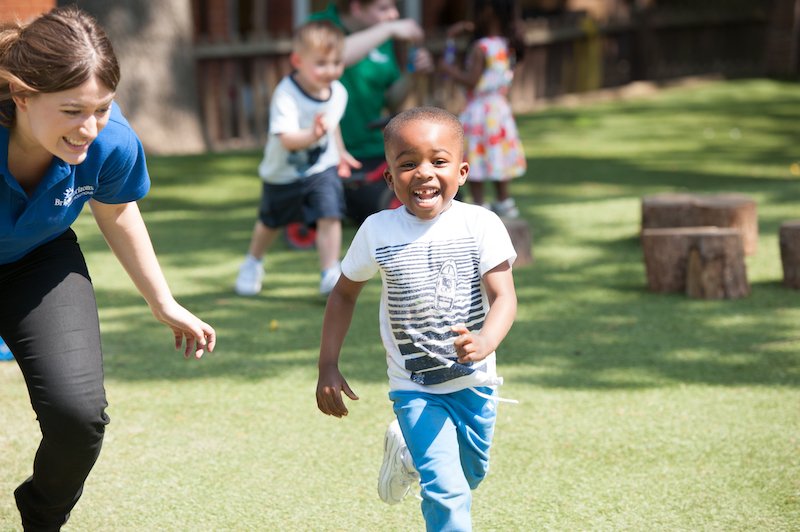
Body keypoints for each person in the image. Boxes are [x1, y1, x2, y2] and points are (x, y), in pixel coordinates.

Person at [0, 7, 216, 530]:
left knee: (78, 417)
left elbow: (117, 210)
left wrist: (162, 301)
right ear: (23, 96)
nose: (89, 128)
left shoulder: (110, 141)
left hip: (37, 259)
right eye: (72, 110)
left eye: (102, 108)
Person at [316, 107, 518, 531]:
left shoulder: (481, 224)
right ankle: (420, 453)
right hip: (415, 388)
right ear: (390, 178)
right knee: (448, 493)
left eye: (438, 161)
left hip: (475, 384)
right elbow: (343, 294)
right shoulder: (378, 231)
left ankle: (407, 455)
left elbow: (504, 298)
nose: (423, 173)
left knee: (470, 475)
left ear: (462, 171)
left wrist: (485, 340)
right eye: (408, 164)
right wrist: (328, 365)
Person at [234, 21, 356, 297]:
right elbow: (287, 140)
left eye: (337, 62)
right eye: (322, 63)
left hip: (321, 168)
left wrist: (341, 151)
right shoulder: (286, 95)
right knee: (270, 221)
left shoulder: (338, 92)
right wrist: (313, 134)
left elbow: (332, 123)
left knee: (330, 214)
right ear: (298, 61)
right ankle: (253, 262)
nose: (331, 70)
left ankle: (329, 272)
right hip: (283, 173)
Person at [309, 0, 434, 224]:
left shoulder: (381, 39)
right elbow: (332, 57)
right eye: (384, 8)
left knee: (435, 189)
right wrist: (387, 29)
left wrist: (412, 75)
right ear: (356, 7)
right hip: (330, 155)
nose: (394, 14)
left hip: (375, 149)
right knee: (380, 204)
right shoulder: (319, 27)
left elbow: (391, 100)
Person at [440, 0, 527, 218]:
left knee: (476, 156)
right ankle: (505, 201)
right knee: (498, 154)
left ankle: (479, 204)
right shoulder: (508, 44)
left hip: (479, 111)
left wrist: (448, 69)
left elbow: (471, 80)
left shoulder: (482, 47)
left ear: (487, 12)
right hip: (499, 109)